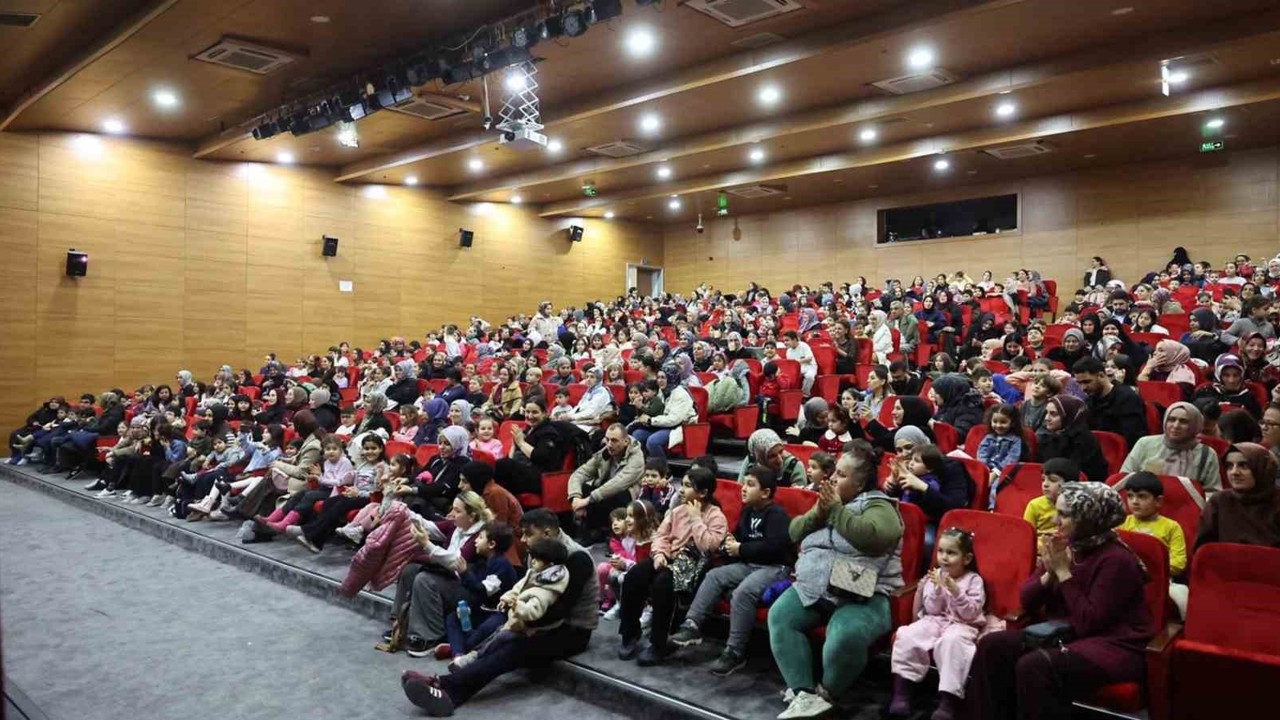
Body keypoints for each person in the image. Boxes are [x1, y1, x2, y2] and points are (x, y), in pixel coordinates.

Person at [968, 482, 1153, 720]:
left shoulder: (1117, 560)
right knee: (992, 646)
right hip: (1065, 633)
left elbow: (1089, 622)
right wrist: (1049, 574)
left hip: (1114, 645)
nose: (1055, 520)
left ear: (1089, 519)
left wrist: (1064, 573)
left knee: (1035, 666)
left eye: (1064, 515)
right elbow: (1027, 599)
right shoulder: (1065, 546)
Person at [402, 507, 599, 716]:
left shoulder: (578, 559)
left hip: (572, 629)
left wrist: (522, 625)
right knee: (501, 634)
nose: (523, 540)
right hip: (536, 617)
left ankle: (446, 686)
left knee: (513, 647)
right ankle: (447, 687)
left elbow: (562, 609)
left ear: (548, 533)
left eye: (528, 534)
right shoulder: (541, 553)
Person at [768, 442, 904, 719]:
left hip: (864, 592)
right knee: (781, 616)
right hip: (816, 587)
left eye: (841, 475)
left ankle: (826, 694)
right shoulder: (829, 504)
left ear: (860, 482)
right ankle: (803, 694)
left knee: (846, 635)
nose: (832, 479)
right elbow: (793, 532)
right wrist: (820, 512)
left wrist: (837, 510)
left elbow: (872, 537)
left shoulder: (882, 506)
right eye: (835, 473)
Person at [669, 466, 794, 675]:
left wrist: (741, 548)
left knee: (743, 593)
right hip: (748, 564)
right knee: (714, 576)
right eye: (744, 483)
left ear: (766, 492)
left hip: (775, 567)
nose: (743, 489)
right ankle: (691, 625)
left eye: (750, 485)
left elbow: (775, 546)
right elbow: (739, 538)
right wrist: (731, 542)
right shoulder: (747, 511)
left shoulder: (777, 514)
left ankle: (735, 652)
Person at [617, 467, 728, 665]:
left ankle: (659, 644)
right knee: (635, 575)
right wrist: (659, 553)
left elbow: (707, 546)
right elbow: (661, 535)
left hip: (692, 566)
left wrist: (695, 518)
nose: (682, 490)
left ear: (703, 493)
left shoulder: (716, 516)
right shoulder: (677, 511)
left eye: (687, 486)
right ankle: (630, 633)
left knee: (662, 584)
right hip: (668, 557)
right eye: (682, 485)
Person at [889, 528, 989, 720]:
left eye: (951, 553)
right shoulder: (935, 575)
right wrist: (936, 588)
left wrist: (955, 590)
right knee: (908, 634)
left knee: (953, 642)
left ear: (966, 559)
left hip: (962, 624)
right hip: (935, 620)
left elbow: (971, 613)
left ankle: (947, 702)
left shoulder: (974, 580)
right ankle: (902, 693)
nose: (944, 557)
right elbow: (932, 609)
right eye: (941, 551)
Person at [1117, 471, 1189, 616]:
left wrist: (1154, 570)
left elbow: (1179, 562)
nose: (1135, 501)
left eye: (1142, 496)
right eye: (1130, 496)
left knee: (1183, 596)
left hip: (1162, 581)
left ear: (1158, 501)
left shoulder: (1172, 527)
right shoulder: (1122, 524)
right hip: (1127, 578)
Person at [1120, 402, 1222, 492]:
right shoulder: (1144, 444)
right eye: (1171, 420)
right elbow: (1124, 478)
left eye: (1183, 421)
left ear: (1194, 425)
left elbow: (1212, 492)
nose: (1176, 425)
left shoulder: (1206, 454)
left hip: (1185, 510)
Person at [568, 424, 645, 542]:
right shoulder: (605, 451)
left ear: (626, 441)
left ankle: (612, 534)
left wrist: (587, 500)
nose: (609, 444)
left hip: (627, 496)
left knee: (615, 494)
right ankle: (593, 530)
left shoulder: (637, 458)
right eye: (607, 439)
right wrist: (575, 498)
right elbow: (579, 473)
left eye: (614, 440)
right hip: (605, 492)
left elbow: (618, 483)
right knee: (584, 488)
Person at [1196, 442, 1280, 548]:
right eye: (1229, 466)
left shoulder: (1277, 502)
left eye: (1243, 466)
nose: (1234, 472)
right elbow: (1203, 549)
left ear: (1262, 468)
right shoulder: (1219, 501)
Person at [493, 400, 566, 497]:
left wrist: (521, 442)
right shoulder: (529, 429)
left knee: (504, 464)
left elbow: (539, 457)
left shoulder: (549, 433)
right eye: (527, 412)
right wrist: (515, 444)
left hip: (540, 477)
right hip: (524, 469)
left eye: (534, 412)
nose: (530, 416)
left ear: (544, 414)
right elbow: (512, 457)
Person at [1073, 357, 1148, 450]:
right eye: (1079, 383)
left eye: (1087, 382)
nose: (1083, 388)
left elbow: (1133, 439)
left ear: (1101, 375)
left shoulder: (1128, 399)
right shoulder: (1089, 402)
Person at [630, 361, 698, 461]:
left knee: (652, 441)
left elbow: (673, 419)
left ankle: (663, 469)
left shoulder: (681, 394)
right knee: (637, 435)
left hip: (679, 426)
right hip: (661, 423)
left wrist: (650, 420)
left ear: (671, 378)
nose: (659, 381)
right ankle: (642, 464)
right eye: (658, 377)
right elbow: (655, 411)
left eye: (663, 377)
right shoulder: (662, 391)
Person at [1037, 395, 1109, 483]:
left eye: (1053, 414)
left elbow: (1073, 474)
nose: (1046, 418)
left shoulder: (1084, 440)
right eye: (1046, 413)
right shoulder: (1048, 437)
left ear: (1068, 416)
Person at [1193, 354, 1262, 418]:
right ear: (1218, 375)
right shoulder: (1204, 393)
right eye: (1226, 375)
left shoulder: (1250, 398)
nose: (1231, 380)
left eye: (1236, 375)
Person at [976, 404, 1025, 493]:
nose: (998, 425)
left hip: (1004, 471)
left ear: (1012, 423)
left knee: (996, 486)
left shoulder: (1015, 440)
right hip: (985, 469)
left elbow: (1012, 458)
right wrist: (985, 468)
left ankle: (992, 507)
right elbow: (981, 452)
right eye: (995, 421)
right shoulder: (988, 437)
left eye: (1003, 422)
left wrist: (995, 473)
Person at [1022, 457, 1076, 536]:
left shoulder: (1077, 505)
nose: (1045, 484)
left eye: (1053, 480)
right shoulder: (1034, 505)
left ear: (1069, 484)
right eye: (1043, 479)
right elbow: (1026, 535)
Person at [739, 428, 808, 488]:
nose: (779, 460)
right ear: (760, 457)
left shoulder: (795, 466)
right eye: (772, 456)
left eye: (781, 452)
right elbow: (740, 490)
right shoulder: (751, 461)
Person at [930, 373, 985, 439]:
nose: (933, 396)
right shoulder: (948, 404)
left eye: (937, 393)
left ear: (948, 393)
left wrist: (937, 427)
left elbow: (960, 435)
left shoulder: (969, 408)